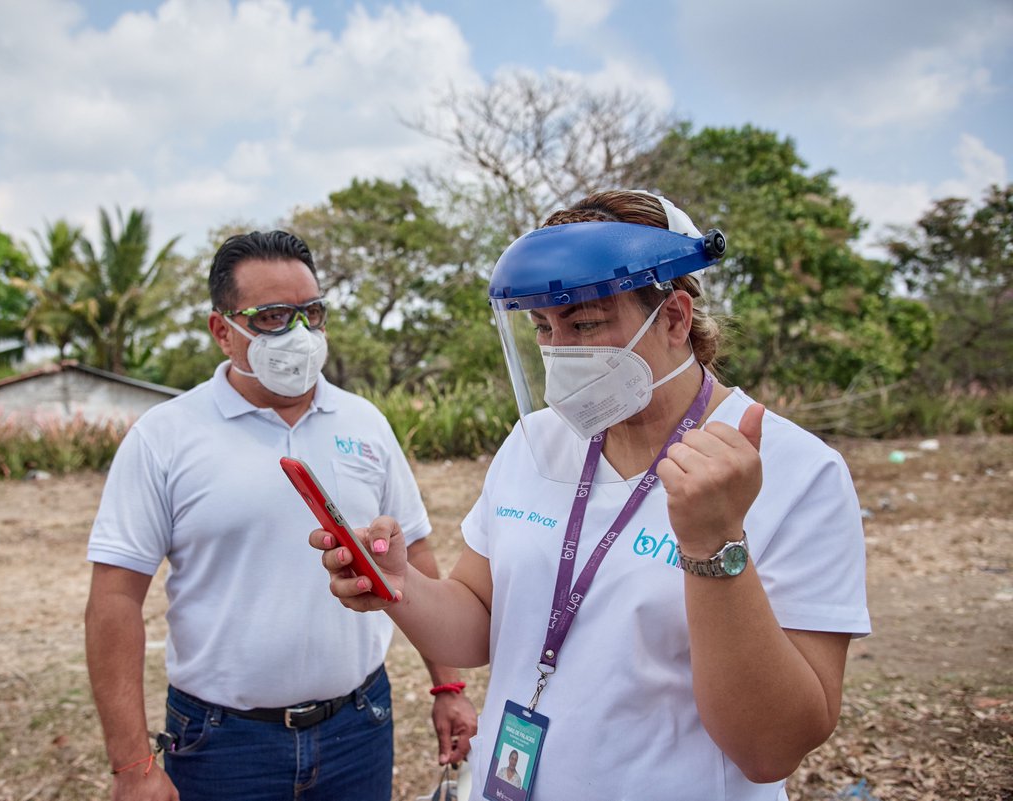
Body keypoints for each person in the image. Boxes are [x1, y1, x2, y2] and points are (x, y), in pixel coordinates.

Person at [311, 192, 870, 800]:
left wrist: (715, 544)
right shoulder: (537, 442)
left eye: (585, 324)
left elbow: (772, 748)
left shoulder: (796, 471)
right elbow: (478, 624)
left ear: (677, 319)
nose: (560, 351)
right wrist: (401, 586)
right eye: (543, 328)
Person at [85, 230, 477, 801]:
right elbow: (114, 600)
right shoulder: (164, 437)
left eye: (311, 312)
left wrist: (448, 684)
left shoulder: (364, 422)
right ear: (223, 331)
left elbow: (413, 555)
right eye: (272, 316)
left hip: (359, 726)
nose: (299, 333)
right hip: (221, 744)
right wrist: (132, 767)